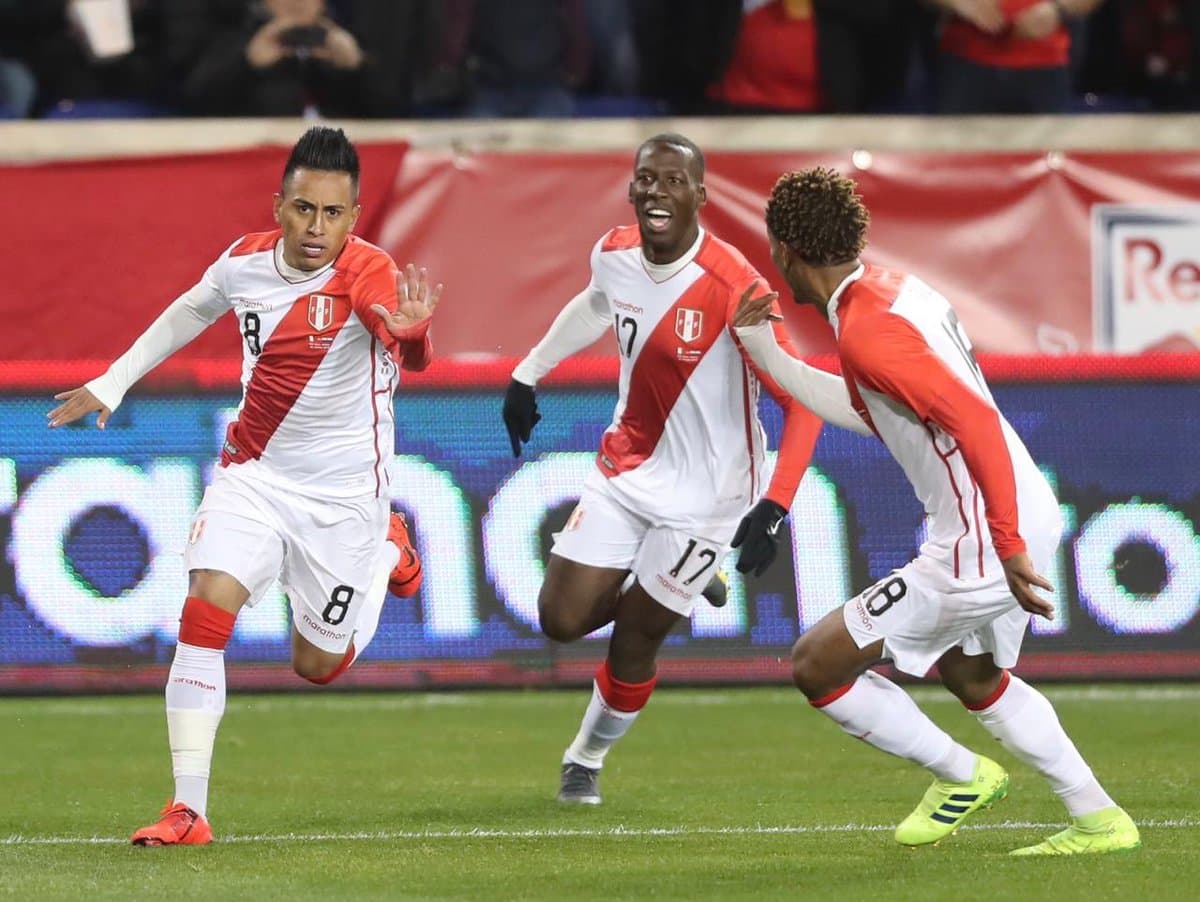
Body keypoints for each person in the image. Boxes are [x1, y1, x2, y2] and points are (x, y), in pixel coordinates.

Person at [731, 166, 1140, 856]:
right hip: (1017, 504)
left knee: (815, 664)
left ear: (789, 255)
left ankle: (963, 776)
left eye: (778, 258)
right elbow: (874, 415)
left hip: (983, 534)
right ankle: (1099, 819)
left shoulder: (868, 333)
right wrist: (765, 348)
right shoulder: (890, 294)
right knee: (969, 670)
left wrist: (1006, 545)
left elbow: (974, 422)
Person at [47, 126, 435, 846]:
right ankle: (187, 810)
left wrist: (413, 333)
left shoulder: (366, 272)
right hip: (252, 476)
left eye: (332, 214)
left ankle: (389, 550)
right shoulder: (243, 262)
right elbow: (193, 308)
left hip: (345, 503)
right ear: (280, 203)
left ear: (353, 218)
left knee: (317, 664)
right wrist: (113, 381)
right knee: (206, 605)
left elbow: (401, 339)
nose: (315, 227)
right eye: (302, 209)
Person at [502, 133, 822, 805]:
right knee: (559, 619)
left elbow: (805, 401)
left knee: (635, 639)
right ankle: (674, 580)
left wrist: (777, 503)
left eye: (673, 181)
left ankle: (584, 759)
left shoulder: (738, 288)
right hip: (627, 469)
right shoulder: (613, 254)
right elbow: (596, 303)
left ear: (699, 197)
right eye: (646, 179)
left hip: (708, 498)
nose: (656, 192)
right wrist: (528, 374)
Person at [927, 0, 1103, 113]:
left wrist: (1058, 10)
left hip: (1045, 66)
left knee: (1045, 159)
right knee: (959, 165)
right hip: (965, 64)